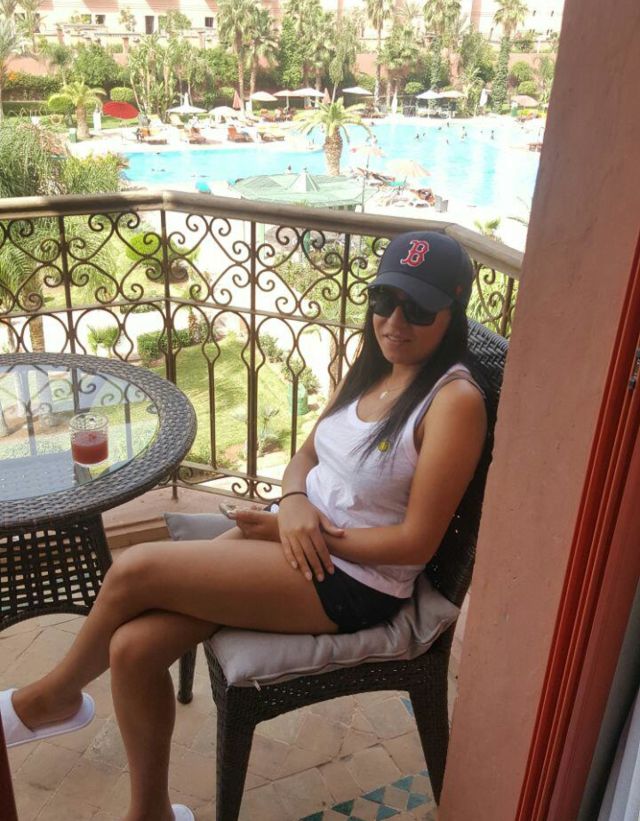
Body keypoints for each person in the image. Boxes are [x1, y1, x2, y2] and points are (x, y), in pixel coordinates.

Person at [0, 231, 487, 821]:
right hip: (298, 541)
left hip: (354, 580)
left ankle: (49, 699)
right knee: (131, 649)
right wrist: (294, 502)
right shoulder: (373, 364)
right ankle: (150, 814)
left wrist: (299, 531)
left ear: (453, 309)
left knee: (134, 568)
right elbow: (305, 456)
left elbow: (415, 543)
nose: (395, 321)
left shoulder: (452, 401)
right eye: (385, 299)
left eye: (419, 309)